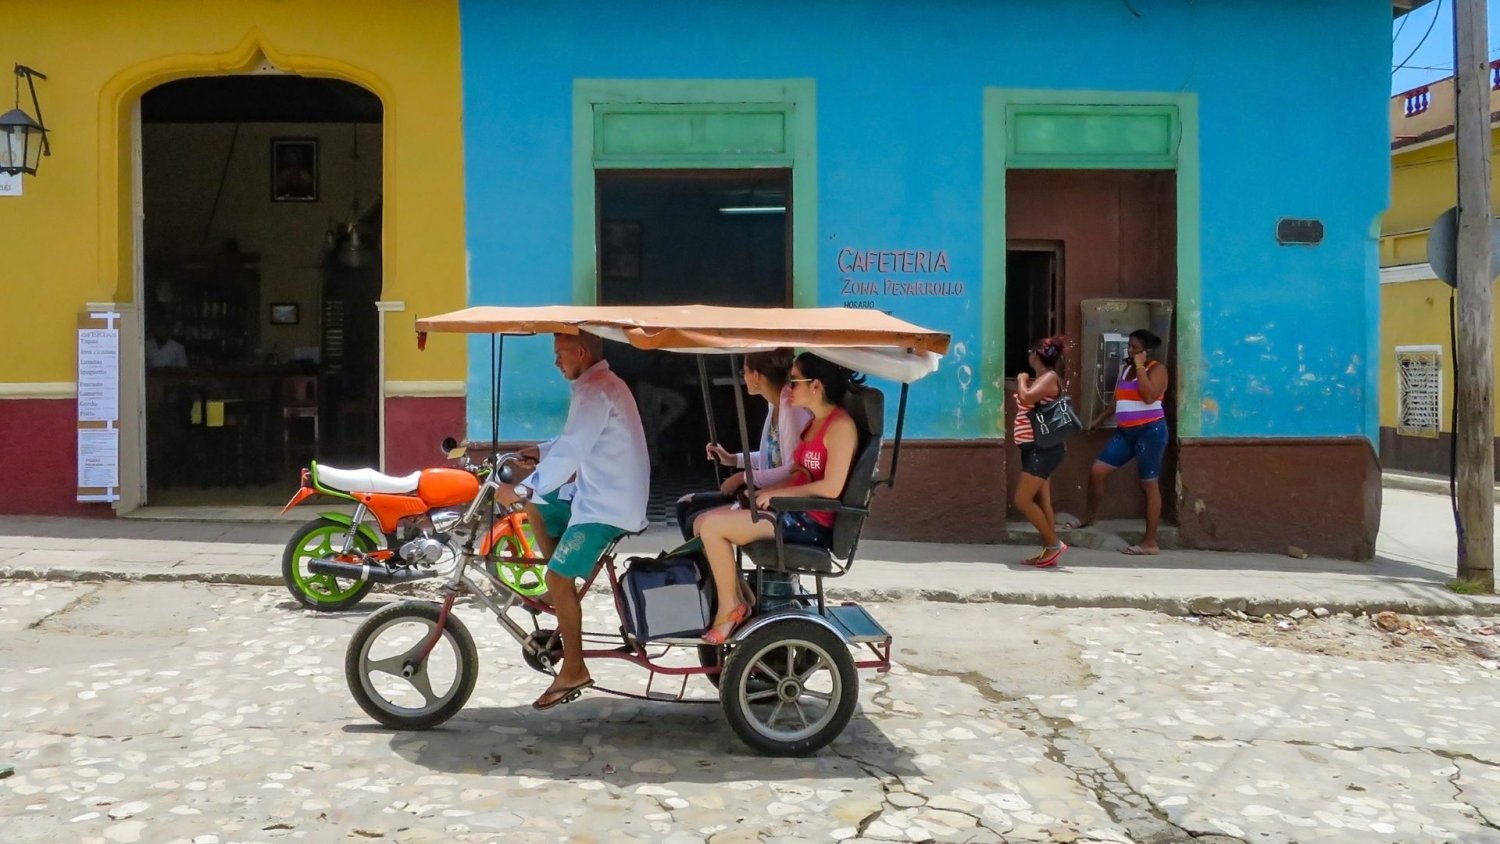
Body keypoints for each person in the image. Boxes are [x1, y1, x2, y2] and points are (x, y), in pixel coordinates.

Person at [497, 332, 650, 710]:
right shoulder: (597, 385)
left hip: (607, 509)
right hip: (596, 496)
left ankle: (574, 668)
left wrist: (519, 490)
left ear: (580, 353)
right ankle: (558, 591)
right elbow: (574, 441)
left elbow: (571, 452)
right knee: (539, 504)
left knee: (556, 574)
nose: (555, 363)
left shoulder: (596, 390)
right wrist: (539, 452)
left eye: (559, 355)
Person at [694, 353, 863, 644]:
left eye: (794, 381)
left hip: (809, 521)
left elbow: (832, 487)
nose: (788, 387)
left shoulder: (840, 427)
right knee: (702, 523)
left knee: (712, 528)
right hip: (790, 511)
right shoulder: (812, 426)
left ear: (816, 386)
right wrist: (762, 492)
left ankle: (730, 608)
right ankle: (741, 598)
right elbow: (799, 472)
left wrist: (776, 492)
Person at [675, 348, 813, 541]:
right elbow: (772, 457)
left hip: (778, 499)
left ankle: (705, 569)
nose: (744, 377)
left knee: (695, 519)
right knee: (685, 506)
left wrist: (746, 477)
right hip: (763, 492)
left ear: (755, 375)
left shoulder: (790, 409)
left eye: (744, 372)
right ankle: (700, 570)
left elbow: (793, 470)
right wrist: (733, 459)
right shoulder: (775, 404)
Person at [1068, 328, 1169, 555]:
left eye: (1135, 348)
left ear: (1147, 352)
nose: (1130, 351)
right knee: (1098, 470)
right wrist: (1098, 420)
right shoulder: (1126, 370)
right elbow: (1117, 401)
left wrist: (1141, 366)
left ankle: (1150, 542)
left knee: (1149, 484)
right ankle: (1089, 516)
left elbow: (1149, 396)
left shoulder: (1157, 370)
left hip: (1150, 432)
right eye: (1129, 347)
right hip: (1125, 432)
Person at [1013, 336, 1068, 568]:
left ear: (1036, 355)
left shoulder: (1048, 378)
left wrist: (1021, 379)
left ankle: (1054, 544)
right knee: (1043, 500)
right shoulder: (1043, 379)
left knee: (1022, 500)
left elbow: (1026, 397)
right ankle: (1049, 550)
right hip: (1034, 448)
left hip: (1042, 449)